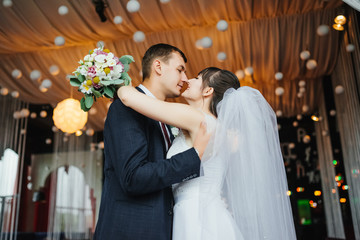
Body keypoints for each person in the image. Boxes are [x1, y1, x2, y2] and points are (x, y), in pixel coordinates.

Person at [118, 67, 297, 239]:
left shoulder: (198, 119)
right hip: (208, 213)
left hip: (195, 215)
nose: (187, 79)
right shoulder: (218, 127)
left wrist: (112, 79)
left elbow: (127, 97)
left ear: (207, 90)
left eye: (196, 78)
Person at [94, 43, 211, 240]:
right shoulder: (125, 108)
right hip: (131, 230)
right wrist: (193, 157)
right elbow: (134, 177)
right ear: (158, 66)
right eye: (180, 70)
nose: (184, 79)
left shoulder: (166, 116)